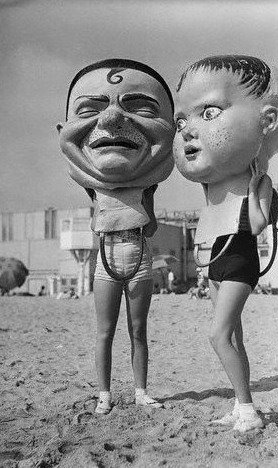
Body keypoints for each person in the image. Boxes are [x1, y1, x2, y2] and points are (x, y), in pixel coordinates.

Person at [173, 55, 278, 432]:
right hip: (212, 258)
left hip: (239, 255)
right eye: (181, 122)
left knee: (219, 334)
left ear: (267, 121)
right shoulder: (210, 184)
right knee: (234, 336)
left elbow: (257, 226)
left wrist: (262, 198)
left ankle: (247, 409)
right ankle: (241, 404)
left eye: (208, 113)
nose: (188, 130)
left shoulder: (258, 180)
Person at [58, 59, 175, 414]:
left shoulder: (149, 185)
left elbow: (151, 223)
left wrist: (139, 207)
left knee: (138, 330)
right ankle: (105, 395)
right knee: (105, 332)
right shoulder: (94, 189)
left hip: (139, 253)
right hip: (106, 258)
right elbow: (85, 173)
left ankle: (140, 391)